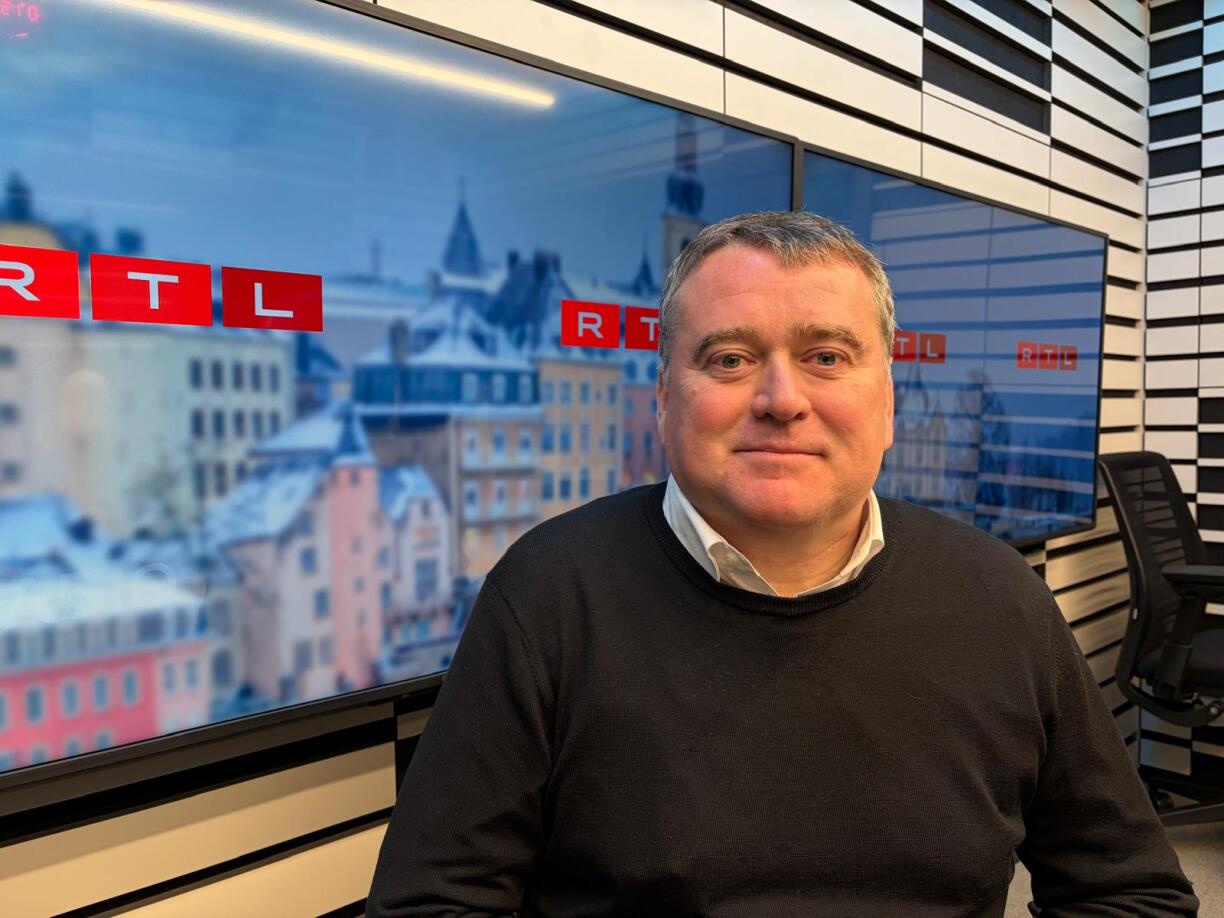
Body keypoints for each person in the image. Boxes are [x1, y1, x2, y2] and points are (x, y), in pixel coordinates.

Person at [367, 211, 1198, 916]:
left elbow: (1134, 894)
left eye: (826, 357)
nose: (782, 400)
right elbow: (430, 905)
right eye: (729, 359)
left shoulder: (1000, 601)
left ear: (887, 404)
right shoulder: (546, 596)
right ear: (663, 399)